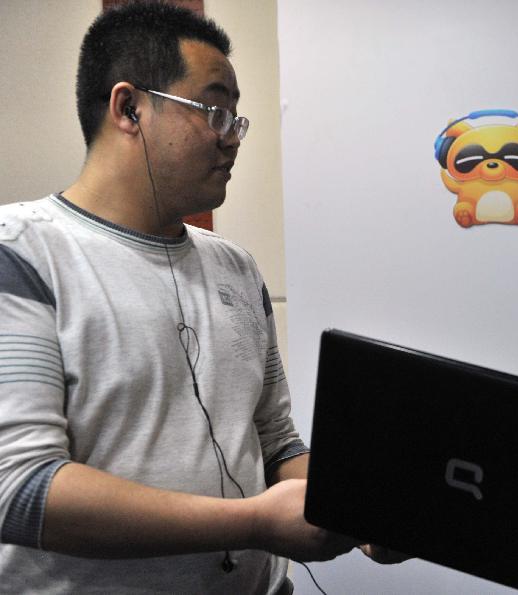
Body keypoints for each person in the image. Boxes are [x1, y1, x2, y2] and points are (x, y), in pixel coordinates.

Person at [0, 3, 395, 593]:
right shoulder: (22, 254)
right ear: (128, 107)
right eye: (214, 111)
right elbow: (21, 490)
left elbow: (275, 443)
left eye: (238, 118)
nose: (233, 138)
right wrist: (255, 521)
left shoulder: (236, 267)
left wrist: (356, 511)